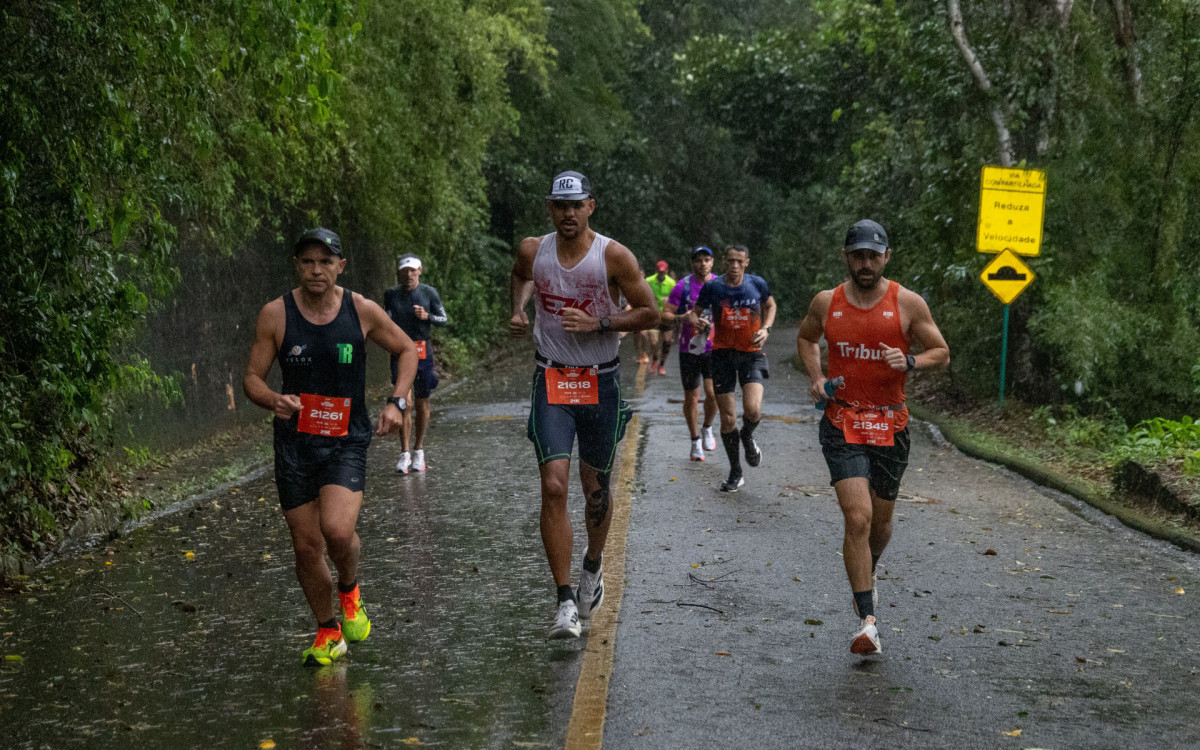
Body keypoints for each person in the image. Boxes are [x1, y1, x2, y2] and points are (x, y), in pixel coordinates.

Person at [243, 227, 419, 666]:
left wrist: (398, 401)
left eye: (325, 261)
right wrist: (274, 399)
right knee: (305, 547)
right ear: (297, 266)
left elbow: (407, 349)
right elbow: (251, 378)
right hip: (295, 444)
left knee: (337, 531)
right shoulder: (275, 314)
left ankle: (350, 590)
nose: (316, 270)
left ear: (341, 265)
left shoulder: (360, 309)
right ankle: (328, 631)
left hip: (345, 440)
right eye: (307, 261)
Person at [509, 170, 658, 638]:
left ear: (591, 206)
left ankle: (592, 568)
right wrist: (518, 309)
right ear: (549, 208)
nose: (568, 214)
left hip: (602, 380)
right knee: (554, 485)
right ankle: (564, 602)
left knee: (595, 488)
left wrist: (600, 323)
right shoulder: (534, 250)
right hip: (551, 378)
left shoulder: (612, 255)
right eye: (560, 206)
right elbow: (519, 276)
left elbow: (650, 312)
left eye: (576, 205)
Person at [796, 219, 950, 657]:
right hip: (842, 420)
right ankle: (867, 622)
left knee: (880, 524)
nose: (865, 263)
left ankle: (868, 570)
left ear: (887, 257)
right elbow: (807, 339)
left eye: (873, 255)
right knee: (858, 518)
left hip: (891, 424)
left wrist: (912, 361)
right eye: (857, 255)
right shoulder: (828, 303)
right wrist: (817, 375)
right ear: (846, 257)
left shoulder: (908, 303)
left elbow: (941, 352)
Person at [684, 244, 776, 492]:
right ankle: (736, 471)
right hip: (722, 355)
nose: (735, 266)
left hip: (751, 354)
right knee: (727, 418)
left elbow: (770, 305)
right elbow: (695, 313)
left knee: (753, 410)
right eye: (731, 261)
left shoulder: (757, 284)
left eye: (740, 261)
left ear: (746, 262)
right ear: (725, 262)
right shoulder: (713, 287)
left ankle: (747, 436)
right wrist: (698, 320)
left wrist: (766, 328)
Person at [383, 254, 448, 474]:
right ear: (399, 273)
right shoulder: (391, 294)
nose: (408, 275)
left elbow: (444, 319)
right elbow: (385, 319)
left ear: (419, 270)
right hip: (401, 351)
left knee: (421, 403)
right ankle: (404, 454)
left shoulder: (429, 293)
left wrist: (427, 316)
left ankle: (419, 449)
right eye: (404, 271)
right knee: (404, 403)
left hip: (423, 352)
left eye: (412, 271)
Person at [661, 246, 718, 462]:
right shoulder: (682, 286)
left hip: (714, 348)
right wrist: (682, 318)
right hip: (689, 349)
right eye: (698, 260)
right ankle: (695, 441)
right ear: (692, 263)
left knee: (713, 394)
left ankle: (707, 428)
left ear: (712, 262)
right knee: (692, 397)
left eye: (706, 260)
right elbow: (665, 314)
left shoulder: (719, 285)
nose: (702, 264)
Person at [644, 260, 676, 376]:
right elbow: (643, 295)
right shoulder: (649, 281)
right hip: (654, 316)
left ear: (666, 271)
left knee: (667, 343)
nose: (661, 274)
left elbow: (677, 300)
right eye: (659, 271)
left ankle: (661, 364)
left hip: (667, 317)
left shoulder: (671, 283)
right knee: (654, 342)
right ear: (656, 270)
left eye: (663, 272)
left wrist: (669, 301)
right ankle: (654, 360)